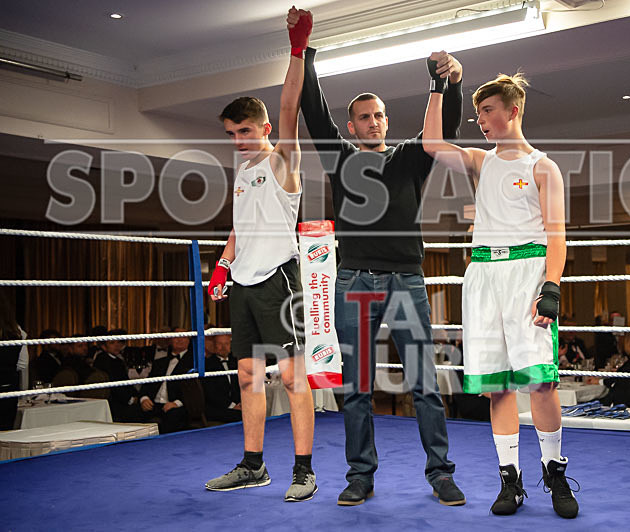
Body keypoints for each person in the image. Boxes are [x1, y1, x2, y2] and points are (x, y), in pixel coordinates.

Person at [299, 16, 466, 507]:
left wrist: (451, 83)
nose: (374, 122)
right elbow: (314, 112)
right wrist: (305, 54)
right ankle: (360, 476)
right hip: (355, 280)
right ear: (352, 126)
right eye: (364, 117)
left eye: (379, 115)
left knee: (425, 383)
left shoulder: (411, 156)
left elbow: (445, 128)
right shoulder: (340, 157)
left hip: (406, 280)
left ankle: (440, 474)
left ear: (387, 121)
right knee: (356, 386)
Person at [422, 66, 578, 518]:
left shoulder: (542, 166)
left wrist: (551, 284)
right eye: (478, 113)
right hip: (484, 274)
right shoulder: (480, 160)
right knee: (497, 387)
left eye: (488, 110)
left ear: (513, 111)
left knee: (541, 382)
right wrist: (438, 87)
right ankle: (510, 479)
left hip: (527, 271)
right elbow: (431, 144)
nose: (481, 120)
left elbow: (557, 235)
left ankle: (554, 471)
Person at [204, 7, 316, 503]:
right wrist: (222, 264)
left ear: (265, 128)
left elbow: (290, 106)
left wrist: (297, 49)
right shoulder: (243, 173)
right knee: (248, 375)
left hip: (278, 279)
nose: (238, 141)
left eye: (245, 131)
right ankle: (253, 465)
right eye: (231, 134)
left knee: (292, 377)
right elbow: (241, 227)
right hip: (244, 282)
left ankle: (304, 470)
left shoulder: (282, 160)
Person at [138, 329, 193, 434]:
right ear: (170, 339)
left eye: (183, 336)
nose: (180, 340)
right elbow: (147, 385)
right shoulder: (159, 362)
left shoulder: (193, 363)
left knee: (173, 417)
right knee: (131, 412)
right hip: (154, 405)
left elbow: (195, 391)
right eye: (176, 337)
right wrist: (144, 398)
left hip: (177, 405)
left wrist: (176, 403)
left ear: (189, 340)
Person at [93, 330, 141, 422]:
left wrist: (137, 395)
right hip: (112, 403)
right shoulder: (103, 360)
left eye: (118, 342)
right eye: (112, 343)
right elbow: (113, 385)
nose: (117, 345)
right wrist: (130, 399)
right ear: (104, 346)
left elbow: (125, 381)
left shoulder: (117, 360)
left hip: (121, 399)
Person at [203, 334, 242, 423]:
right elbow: (211, 393)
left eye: (226, 344)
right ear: (214, 346)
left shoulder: (236, 361)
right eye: (220, 344)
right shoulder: (207, 364)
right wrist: (233, 406)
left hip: (237, 405)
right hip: (217, 408)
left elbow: (241, 385)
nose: (223, 347)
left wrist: (240, 403)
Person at [0, 291, 24, 430]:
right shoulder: (16, 332)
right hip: (9, 388)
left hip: (8, 388)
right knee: (5, 433)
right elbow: (23, 364)